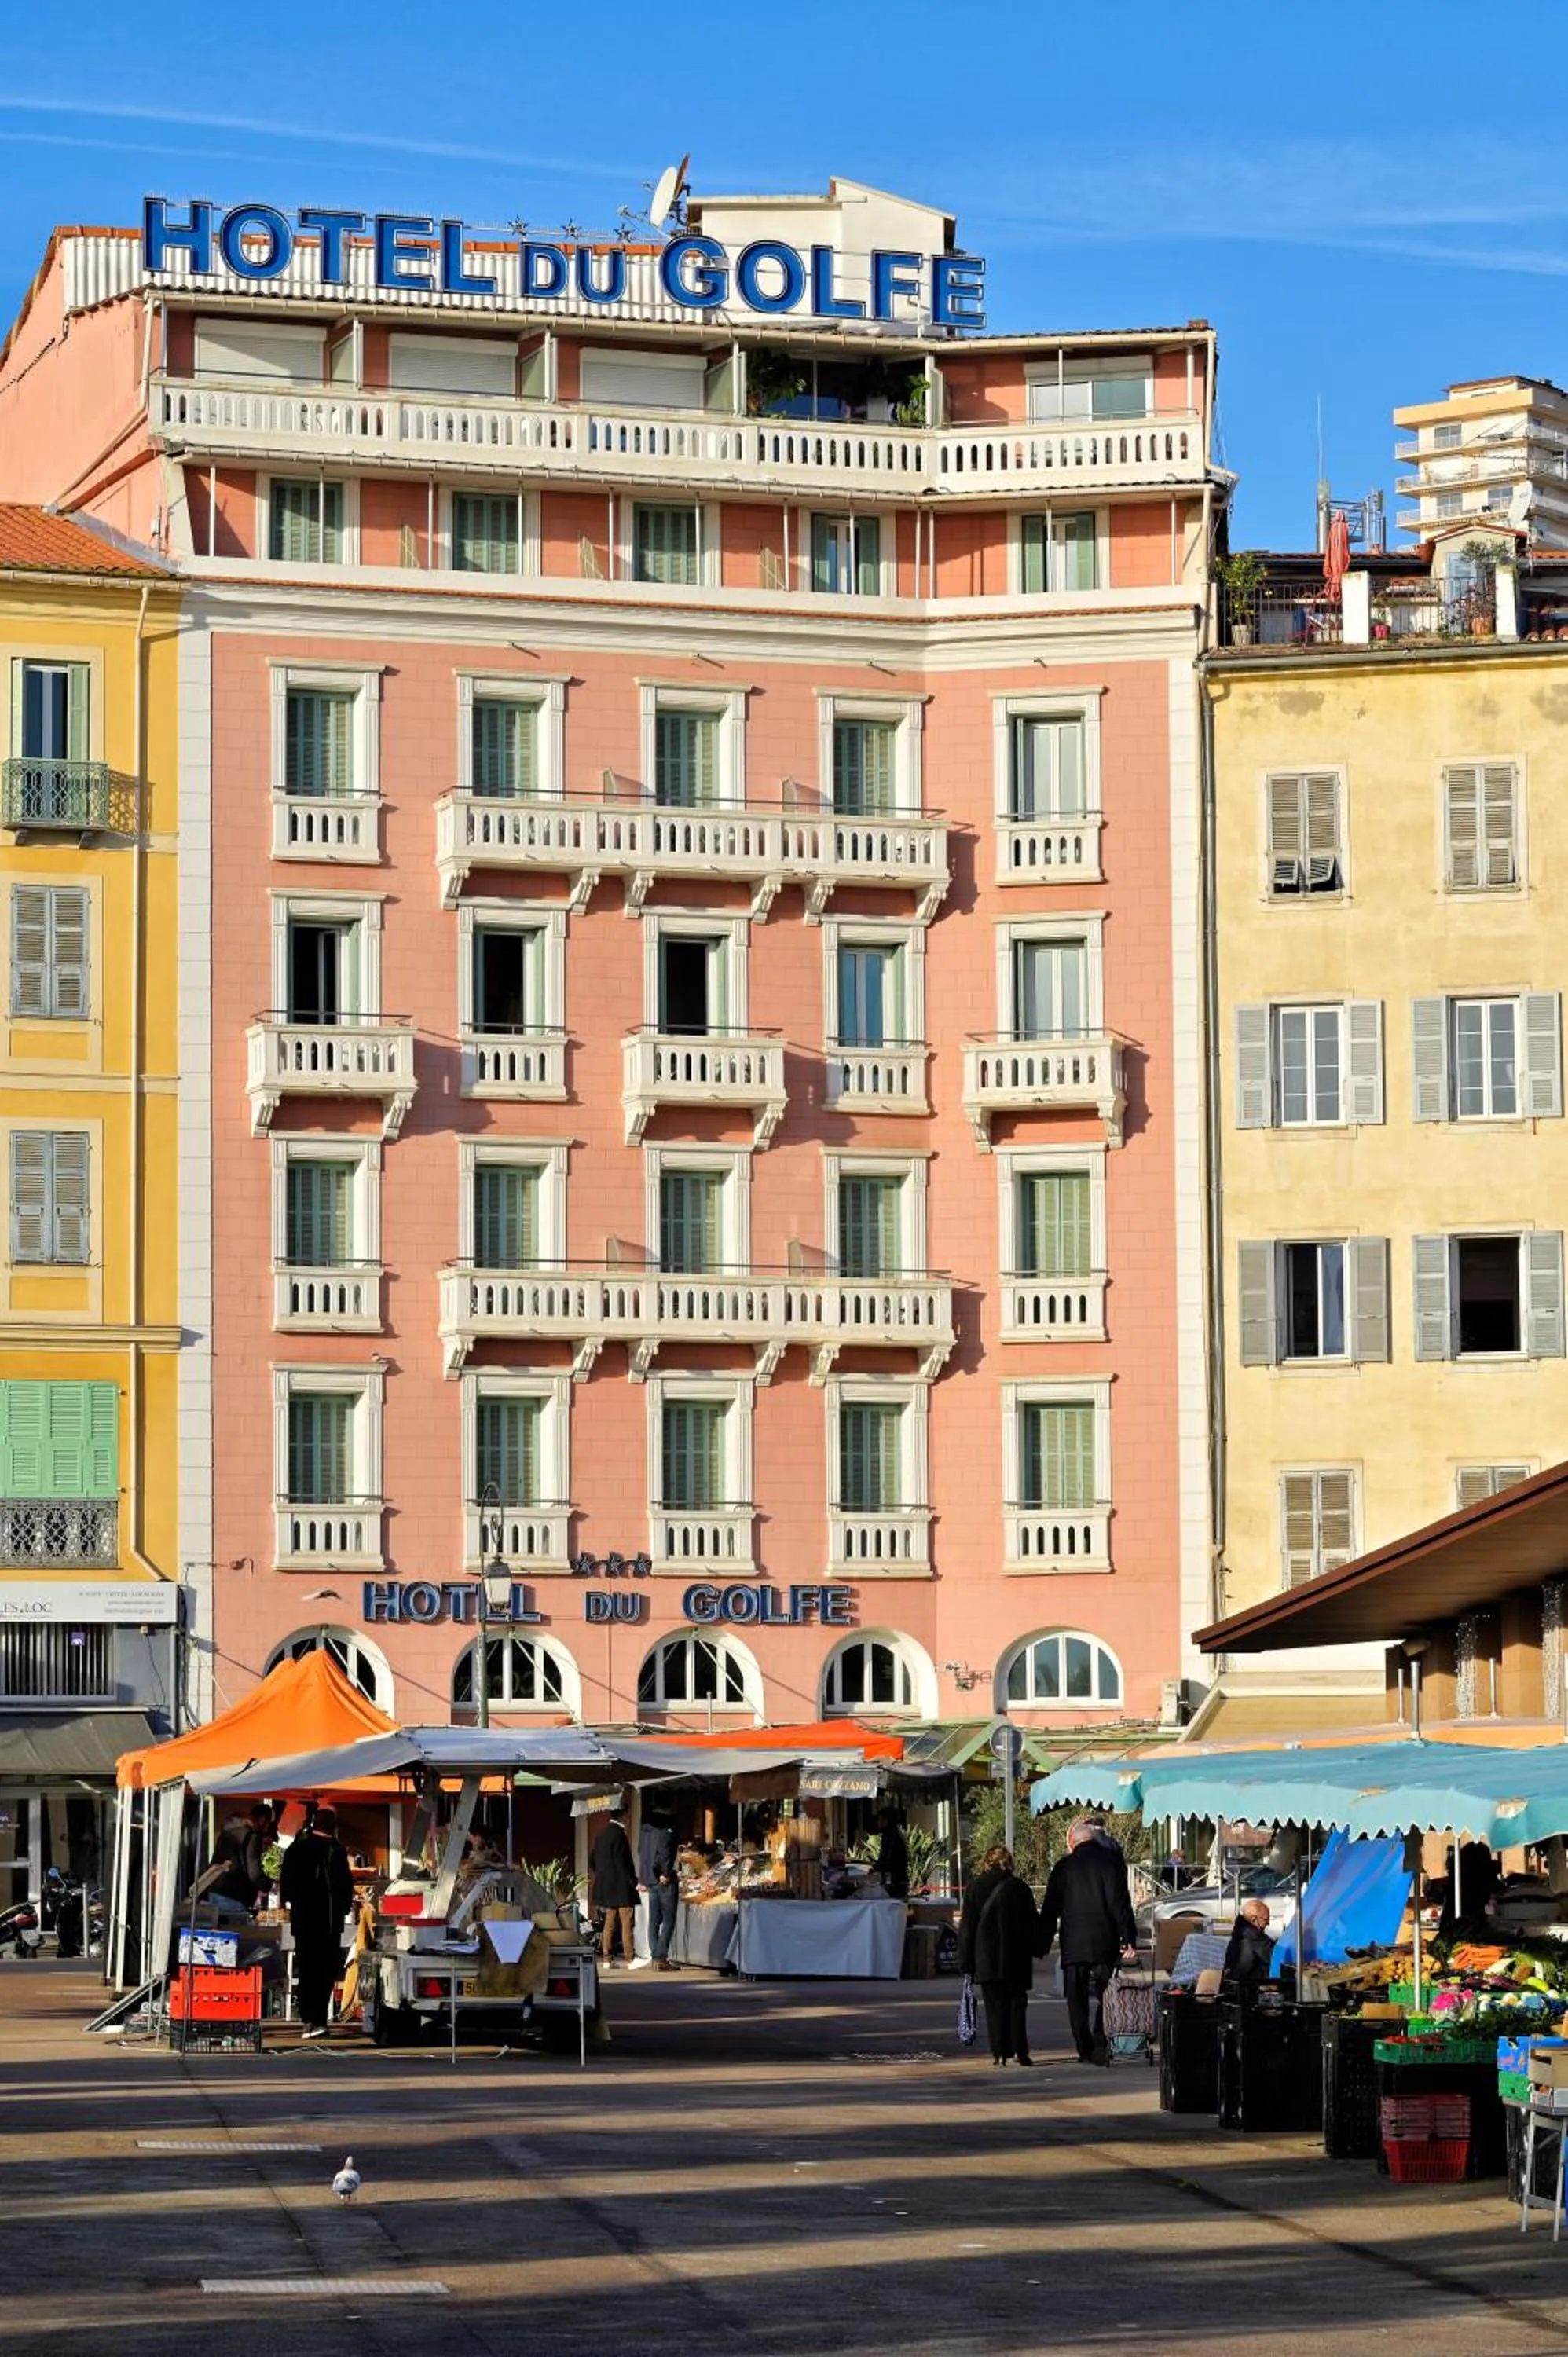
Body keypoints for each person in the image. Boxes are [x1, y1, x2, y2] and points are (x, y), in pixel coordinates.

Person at [1036, 1816, 1138, 2066]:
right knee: (1106, 1992)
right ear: (1094, 1840)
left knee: (1076, 1997)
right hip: (1105, 1940)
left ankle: (1084, 2047)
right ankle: (1100, 2036)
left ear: (1074, 1842)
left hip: (1074, 1943)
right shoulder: (1110, 1864)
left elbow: (1050, 1909)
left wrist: (1042, 1941)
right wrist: (1128, 1938)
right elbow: (1121, 1904)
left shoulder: (1063, 1867)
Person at [958, 1844, 1038, 2066]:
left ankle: (999, 2052)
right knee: (1017, 2004)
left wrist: (966, 1961)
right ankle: (1020, 2050)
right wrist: (1037, 1948)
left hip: (986, 1959)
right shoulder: (1021, 1888)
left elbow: (967, 1927)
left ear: (987, 1862)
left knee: (994, 2006)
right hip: (1017, 1958)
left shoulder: (975, 1887)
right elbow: (1032, 1924)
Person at [280, 1806, 354, 2040]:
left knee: (306, 1969)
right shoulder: (336, 1850)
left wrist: (294, 1902)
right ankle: (319, 2019)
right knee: (324, 1971)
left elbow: (286, 1882)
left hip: (303, 1919)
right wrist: (343, 1908)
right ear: (333, 1826)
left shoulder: (297, 1848)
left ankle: (307, 2020)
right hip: (329, 1922)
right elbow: (344, 1886)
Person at [591, 1808, 639, 1970]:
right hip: (622, 1885)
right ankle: (630, 1958)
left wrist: (603, 1875)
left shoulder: (600, 1835)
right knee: (627, 1921)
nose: (629, 1819)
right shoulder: (620, 1835)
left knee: (609, 1923)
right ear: (623, 1816)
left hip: (606, 1886)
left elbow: (592, 1860)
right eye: (628, 1816)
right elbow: (623, 1862)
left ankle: (607, 1959)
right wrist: (634, 1881)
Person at [639, 1809, 680, 1973]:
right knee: (669, 1918)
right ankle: (660, 1956)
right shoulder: (665, 1830)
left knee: (654, 1919)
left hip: (649, 1878)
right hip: (662, 1879)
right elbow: (665, 1852)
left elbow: (641, 1851)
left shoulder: (645, 1831)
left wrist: (644, 1877)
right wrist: (666, 1872)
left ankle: (655, 1955)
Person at [1220, 1897, 1276, 1994]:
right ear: (1254, 1919)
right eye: (1266, 1919)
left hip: (1237, 1990)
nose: (1268, 1923)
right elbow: (1275, 1955)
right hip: (1254, 1992)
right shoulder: (1254, 1939)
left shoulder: (1239, 1933)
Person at [875, 1807, 910, 1903]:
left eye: (879, 1819)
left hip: (894, 1882)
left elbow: (888, 1860)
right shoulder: (895, 1835)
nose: (878, 1823)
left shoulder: (890, 1837)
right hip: (898, 1881)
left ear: (885, 1821)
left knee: (891, 1909)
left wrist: (876, 1868)